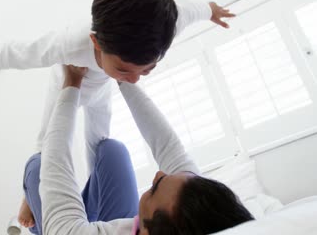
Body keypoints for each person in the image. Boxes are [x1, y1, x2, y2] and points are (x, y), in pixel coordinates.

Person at [0, 0, 235, 229]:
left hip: (101, 87)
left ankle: (93, 198)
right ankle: (31, 195)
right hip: (68, 80)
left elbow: (189, 10)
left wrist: (210, 10)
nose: (135, 79)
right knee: (48, 141)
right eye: (126, 69)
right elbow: (16, 53)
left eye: (148, 69)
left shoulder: (163, 29)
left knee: (101, 140)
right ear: (95, 44)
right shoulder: (70, 45)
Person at [22, 64, 253, 235]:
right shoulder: (194, 212)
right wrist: (123, 74)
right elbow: (169, 147)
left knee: (38, 166)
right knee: (113, 150)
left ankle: (37, 209)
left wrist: (71, 83)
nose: (159, 174)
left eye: (155, 187)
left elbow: (55, 167)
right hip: (116, 224)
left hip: (64, 228)